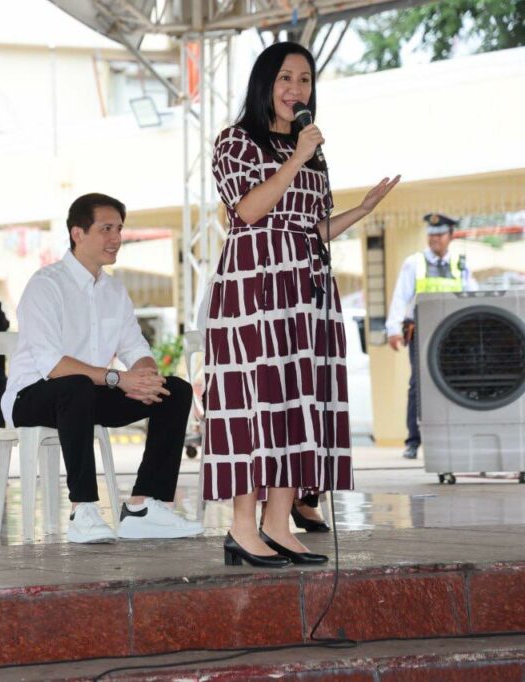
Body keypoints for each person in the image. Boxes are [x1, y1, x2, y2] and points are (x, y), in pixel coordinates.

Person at [204, 42, 400, 567]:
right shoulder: (236, 141)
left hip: (304, 286)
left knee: (299, 401)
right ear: (265, 84)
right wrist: (295, 158)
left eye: (305, 80)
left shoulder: (312, 152)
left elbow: (313, 228)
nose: (296, 89)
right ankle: (241, 527)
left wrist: (362, 210)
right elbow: (249, 211)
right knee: (254, 400)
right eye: (286, 78)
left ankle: (278, 523)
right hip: (253, 287)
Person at [1, 193, 202, 543]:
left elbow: (135, 348)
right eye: (106, 229)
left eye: (119, 229)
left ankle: (144, 507)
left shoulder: (113, 290)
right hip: (32, 395)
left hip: (88, 393)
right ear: (78, 233)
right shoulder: (45, 285)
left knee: (173, 390)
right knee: (77, 385)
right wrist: (118, 378)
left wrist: (146, 378)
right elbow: (52, 365)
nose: (116, 238)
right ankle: (83, 511)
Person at [385, 212, 476, 459]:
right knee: (418, 385)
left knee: (458, 383)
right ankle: (413, 441)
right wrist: (393, 329)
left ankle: (456, 435)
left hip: (454, 336)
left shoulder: (460, 263)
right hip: (421, 332)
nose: (434, 239)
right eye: (431, 235)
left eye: (440, 235)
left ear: (451, 236)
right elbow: (400, 297)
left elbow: (473, 295)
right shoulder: (414, 262)